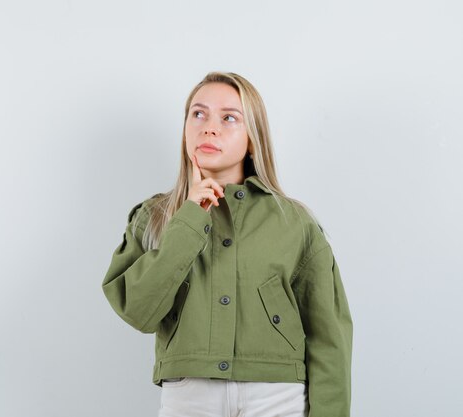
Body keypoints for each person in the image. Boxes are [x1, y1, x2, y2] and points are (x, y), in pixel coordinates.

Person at [101, 71, 353, 417]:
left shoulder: (294, 223)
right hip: (189, 395)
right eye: (198, 114)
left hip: (277, 395)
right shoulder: (154, 216)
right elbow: (138, 311)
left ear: (252, 138)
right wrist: (189, 218)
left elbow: (329, 338)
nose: (209, 128)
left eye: (229, 118)